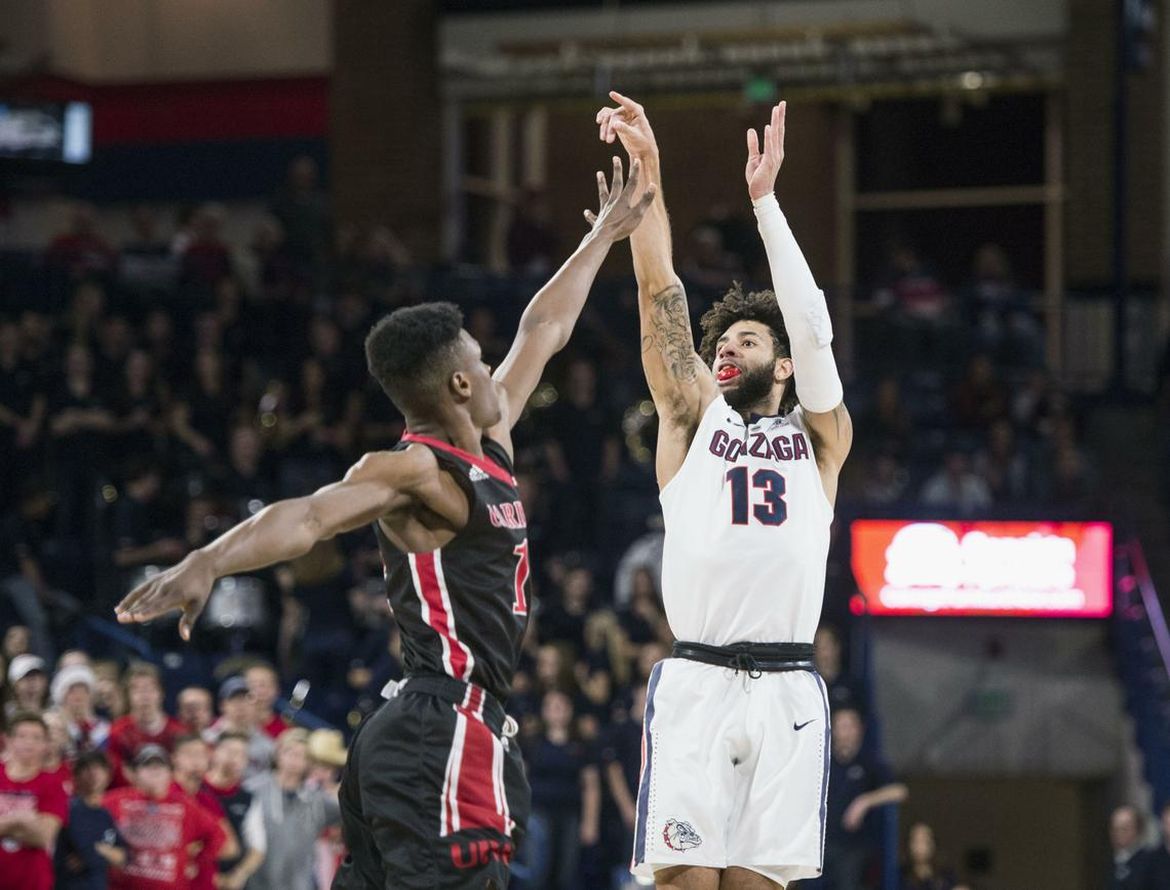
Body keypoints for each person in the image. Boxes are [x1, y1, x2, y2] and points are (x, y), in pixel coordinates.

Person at [114, 159, 656, 889]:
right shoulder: (416, 470)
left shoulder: (490, 444)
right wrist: (210, 560)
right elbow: (309, 516)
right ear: (461, 385)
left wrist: (603, 238)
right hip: (447, 724)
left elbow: (545, 326)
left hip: (409, 734)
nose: (496, 363)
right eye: (479, 357)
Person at [596, 92, 852, 887]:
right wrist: (651, 173)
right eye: (722, 344)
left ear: (781, 367)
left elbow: (811, 326)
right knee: (681, 879)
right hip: (700, 677)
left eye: (746, 339)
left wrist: (767, 205)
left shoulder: (820, 440)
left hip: (788, 688)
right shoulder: (692, 417)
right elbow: (660, 295)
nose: (726, 350)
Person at [103, 744, 225, 890]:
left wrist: (197, 862)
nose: (155, 771)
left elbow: (217, 834)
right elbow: (88, 819)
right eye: (147, 766)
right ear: (135, 773)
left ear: (170, 773)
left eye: (160, 767)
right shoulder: (115, 800)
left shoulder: (185, 805)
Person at [816, 708, 908, 890]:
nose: (846, 731)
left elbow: (900, 791)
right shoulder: (822, 760)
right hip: (820, 845)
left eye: (850, 726)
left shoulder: (869, 760)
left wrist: (864, 801)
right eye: (841, 726)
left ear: (859, 729)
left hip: (854, 846)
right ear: (832, 729)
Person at [244, 729, 340, 890]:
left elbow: (350, 815)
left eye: (302, 755)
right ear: (277, 753)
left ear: (309, 762)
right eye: (289, 752)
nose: (294, 759)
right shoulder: (252, 790)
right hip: (254, 882)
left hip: (298, 883)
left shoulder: (318, 801)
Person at [0, 712, 69, 890]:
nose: (28, 742)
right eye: (22, 736)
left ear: (46, 745)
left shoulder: (53, 783)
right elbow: (34, 830)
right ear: (8, 740)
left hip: (33, 882)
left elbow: (43, 836)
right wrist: (19, 820)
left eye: (36, 737)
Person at [170, 734, 239, 890]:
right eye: (189, 754)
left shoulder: (207, 800)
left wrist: (198, 849)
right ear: (174, 758)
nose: (196, 760)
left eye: (201, 754)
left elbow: (231, 847)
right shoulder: (164, 794)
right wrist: (207, 844)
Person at [55, 751, 128, 890]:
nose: (94, 774)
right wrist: (107, 853)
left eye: (99, 768)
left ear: (108, 776)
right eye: (87, 769)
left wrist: (100, 851)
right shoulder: (71, 810)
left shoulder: (104, 814)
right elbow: (89, 855)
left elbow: (124, 857)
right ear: (76, 777)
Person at [202, 732, 266, 890]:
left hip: (226, 879)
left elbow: (258, 848)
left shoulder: (248, 798)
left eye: (241, 754)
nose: (234, 758)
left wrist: (239, 874)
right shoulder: (196, 787)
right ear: (214, 752)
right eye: (229, 751)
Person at [106, 663, 185, 787]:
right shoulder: (117, 732)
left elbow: (182, 770)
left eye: (150, 689)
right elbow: (116, 772)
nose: (144, 696)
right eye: (137, 689)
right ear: (128, 695)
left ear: (161, 693)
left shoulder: (178, 732)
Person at [203, 677, 275, 780]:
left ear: (254, 705)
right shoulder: (207, 739)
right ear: (222, 705)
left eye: (246, 699)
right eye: (234, 700)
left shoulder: (267, 745)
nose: (240, 706)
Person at [901, 822, 957, 890]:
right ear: (909, 844)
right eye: (915, 841)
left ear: (933, 844)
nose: (919, 846)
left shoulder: (946, 876)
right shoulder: (899, 876)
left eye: (924, 840)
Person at [1109, 805, 1151, 889]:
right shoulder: (1111, 861)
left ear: (1138, 830)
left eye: (1124, 828)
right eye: (1115, 829)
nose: (1118, 834)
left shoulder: (1150, 862)